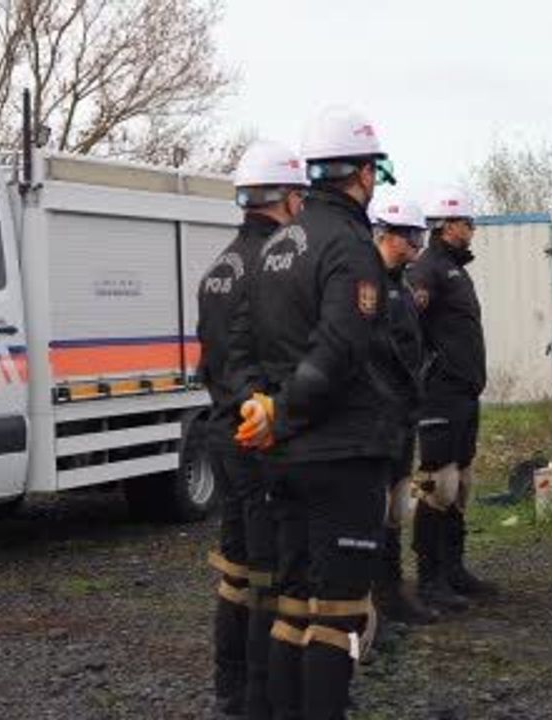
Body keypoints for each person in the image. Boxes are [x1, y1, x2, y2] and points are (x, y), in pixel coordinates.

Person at [233, 106, 398, 720]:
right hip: (340, 452)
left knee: (294, 603)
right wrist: (284, 408)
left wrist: (262, 404)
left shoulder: (276, 245)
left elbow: (241, 344)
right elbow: (341, 347)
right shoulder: (353, 248)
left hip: (283, 456)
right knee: (337, 614)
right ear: (362, 174)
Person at [198, 140, 307, 719]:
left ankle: (229, 691)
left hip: (222, 431)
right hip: (256, 435)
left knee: (235, 569)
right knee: (267, 571)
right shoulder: (273, 268)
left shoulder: (220, 264)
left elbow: (210, 358)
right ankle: (262, 698)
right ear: (289, 198)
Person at [408, 188, 496, 611]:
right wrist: (429, 370)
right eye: (468, 222)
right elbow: (408, 324)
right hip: (440, 395)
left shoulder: (455, 270)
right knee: (436, 484)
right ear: (447, 225)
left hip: (463, 392)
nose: (472, 229)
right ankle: (430, 578)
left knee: (460, 482)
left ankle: (454, 568)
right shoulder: (428, 269)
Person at [369, 197, 439, 625]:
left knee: (397, 506)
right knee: (376, 510)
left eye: (419, 235)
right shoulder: (368, 284)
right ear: (389, 235)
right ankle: (374, 597)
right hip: (378, 416)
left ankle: (392, 593)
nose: (417, 244)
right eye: (411, 236)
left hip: (403, 413)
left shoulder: (402, 284)